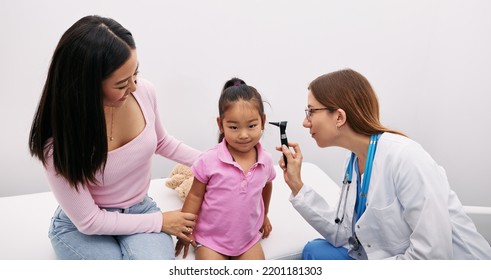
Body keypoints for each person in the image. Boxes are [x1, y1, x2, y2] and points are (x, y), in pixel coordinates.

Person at [28, 15, 201, 260]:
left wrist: (217, 161)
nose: (132, 87)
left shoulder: (144, 92)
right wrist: (160, 221)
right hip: (82, 227)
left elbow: (161, 141)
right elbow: (89, 221)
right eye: (120, 84)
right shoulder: (58, 145)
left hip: (140, 208)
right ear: (86, 86)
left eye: (135, 74)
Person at [275, 68, 491, 260]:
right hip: (386, 257)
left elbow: (433, 255)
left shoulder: (406, 157)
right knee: (314, 251)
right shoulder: (352, 163)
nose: (305, 122)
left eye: (311, 111)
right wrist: (297, 185)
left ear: (339, 117)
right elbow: (343, 234)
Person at [174, 78, 276, 260]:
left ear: (263, 121)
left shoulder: (265, 160)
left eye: (252, 126)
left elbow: (266, 186)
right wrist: (185, 230)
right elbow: (195, 195)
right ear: (221, 124)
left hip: (248, 240)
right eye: (234, 127)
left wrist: (265, 215)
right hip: (210, 239)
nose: (244, 135)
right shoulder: (208, 160)